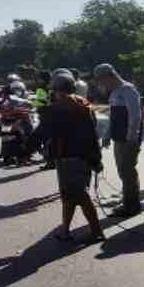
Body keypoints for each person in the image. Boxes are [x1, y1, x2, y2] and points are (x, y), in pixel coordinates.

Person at [37, 73, 104, 243]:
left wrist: (26, 148)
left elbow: (43, 132)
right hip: (82, 157)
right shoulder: (84, 105)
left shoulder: (60, 107)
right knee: (70, 195)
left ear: (58, 91)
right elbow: (93, 135)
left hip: (68, 158)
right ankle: (65, 230)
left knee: (79, 195)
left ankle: (96, 231)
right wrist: (96, 159)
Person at [94, 63, 143, 218]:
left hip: (128, 139)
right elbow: (113, 118)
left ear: (110, 76)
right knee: (123, 170)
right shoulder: (114, 92)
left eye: (101, 80)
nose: (101, 84)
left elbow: (135, 116)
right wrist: (108, 135)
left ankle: (132, 205)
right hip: (119, 138)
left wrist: (130, 138)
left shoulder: (128, 90)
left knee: (128, 171)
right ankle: (128, 200)